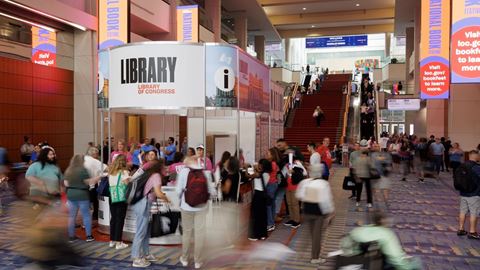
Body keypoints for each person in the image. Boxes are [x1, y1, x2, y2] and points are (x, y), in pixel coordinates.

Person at [341, 211, 421, 269]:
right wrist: (407, 265)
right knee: (416, 261)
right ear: (383, 221)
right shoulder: (387, 234)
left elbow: (344, 244)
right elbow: (395, 258)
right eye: (387, 219)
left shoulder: (361, 229)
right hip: (370, 264)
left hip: (351, 260)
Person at [176, 157, 216, 269]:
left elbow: (178, 190)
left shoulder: (184, 172)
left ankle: (184, 259)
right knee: (199, 234)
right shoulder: (204, 172)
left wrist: (180, 200)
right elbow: (211, 190)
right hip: (201, 207)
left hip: (186, 206)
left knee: (187, 233)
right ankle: (197, 261)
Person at [131, 160, 170, 268]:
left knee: (146, 231)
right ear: (160, 167)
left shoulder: (150, 174)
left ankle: (145, 253)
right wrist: (166, 198)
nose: (166, 168)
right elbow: (158, 192)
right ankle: (136, 258)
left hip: (142, 203)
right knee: (141, 232)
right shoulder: (156, 176)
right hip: (143, 204)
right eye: (164, 166)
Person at [296, 164, 334, 265]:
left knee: (310, 233)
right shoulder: (323, 184)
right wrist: (330, 213)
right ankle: (315, 257)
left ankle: (301, 251)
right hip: (318, 213)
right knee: (317, 236)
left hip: (307, 211)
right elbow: (326, 200)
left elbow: (299, 195)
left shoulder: (305, 182)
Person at [64, 154, 100, 242]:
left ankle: (71, 237)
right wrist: (98, 178)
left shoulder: (68, 170)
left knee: (72, 216)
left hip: (71, 194)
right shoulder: (83, 170)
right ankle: (88, 236)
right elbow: (88, 182)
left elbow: (66, 183)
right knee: (86, 215)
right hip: (82, 194)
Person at [107, 155, 130, 250]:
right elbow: (126, 184)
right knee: (120, 219)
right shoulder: (124, 172)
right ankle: (118, 242)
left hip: (112, 196)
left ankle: (112, 240)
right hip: (121, 197)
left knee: (114, 218)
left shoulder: (111, 172)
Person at [456, 151, 480, 240]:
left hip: (463, 192)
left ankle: (461, 229)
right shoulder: (476, 167)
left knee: (463, 211)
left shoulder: (462, 165)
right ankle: (472, 232)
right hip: (474, 193)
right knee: (474, 212)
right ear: (476, 157)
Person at [248, 159, 271, 241]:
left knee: (256, 215)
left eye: (260, 164)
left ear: (263, 166)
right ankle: (262, 234)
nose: (259, 165)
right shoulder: (267, 174)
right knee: (262, 215)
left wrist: (249, 167)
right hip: (263, 196)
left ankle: (255, 235)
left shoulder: (261, 174)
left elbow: (249, 176)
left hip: (258, 195)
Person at [282, 155, 307, 229]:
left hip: (295, 187)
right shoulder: (286, 165)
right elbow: (284, 174)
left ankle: (296, 220)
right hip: (288, 186)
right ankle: (292, 219)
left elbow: (304, 173)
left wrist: (294, 171)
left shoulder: (297, 163)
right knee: (289, 203)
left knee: (295, 204)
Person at [84, 147, 108, 221]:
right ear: (94, 154)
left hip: (82, 184)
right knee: (93, 201)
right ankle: (93, 218)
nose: (98, 156)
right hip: (91, 184)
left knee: (86, 202)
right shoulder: (94, 161)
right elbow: (107, 168)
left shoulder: (84, 158)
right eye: (97, 154)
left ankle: (88, 219)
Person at [266, 148, 280, 231]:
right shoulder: (274, 163)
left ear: (272, 155)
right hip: (274, 184)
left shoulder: (272, 164)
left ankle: (270, 224)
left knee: (268, 205)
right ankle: (272, 221)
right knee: (272, 204)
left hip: (271, 185)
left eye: (268, 153)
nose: (266, 155)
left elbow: (266, 172)